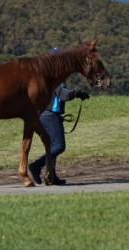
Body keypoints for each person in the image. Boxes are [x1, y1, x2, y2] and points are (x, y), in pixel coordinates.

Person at [28, 48, 90, 185]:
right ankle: (36, 165)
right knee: (59, 146)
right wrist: (77, 94)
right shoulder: (54, 77)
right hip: (51, 115)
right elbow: (63, 94)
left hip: (43, 114)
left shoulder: (43, 76)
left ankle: (51, 176)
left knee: (52, 145)